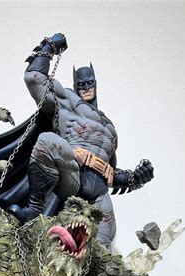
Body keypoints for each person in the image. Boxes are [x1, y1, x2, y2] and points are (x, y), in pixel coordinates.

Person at [9, 33, 154, 246]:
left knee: (103, 245)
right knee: (47, 141)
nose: (86, 87)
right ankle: (34, 209)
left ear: (96, 83)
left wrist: (135, 178)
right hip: (72, 175)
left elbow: (110, 174)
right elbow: (33, 77)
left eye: (90, 83)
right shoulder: (67, 100)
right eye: (81, 83)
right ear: (75, 84)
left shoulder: (110, 128)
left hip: (99, 192)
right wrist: (49, 46)